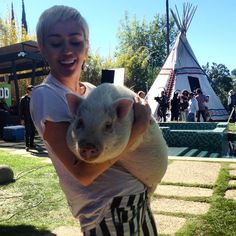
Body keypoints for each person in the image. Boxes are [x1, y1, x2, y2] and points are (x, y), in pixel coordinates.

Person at [30, 5, 158, 235]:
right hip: (105, 208)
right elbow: (83, 172)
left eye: (76, 42)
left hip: (135, 196)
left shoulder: (91, 92)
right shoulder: (46, 95)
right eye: (56, 43)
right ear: (42, 48)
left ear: (86, 47)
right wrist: (138, 129)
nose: (67, 50)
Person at [19, 85, 36, 151]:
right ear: (28, 90)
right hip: (26, 117)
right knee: (27, 131)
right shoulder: (23, 99)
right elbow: (21, 110)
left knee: (33, 132)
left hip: (33, 117)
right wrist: (22, 119)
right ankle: (27, 145)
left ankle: (31, 144)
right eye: (32, 90)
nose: (33, 91)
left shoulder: (34, 98)